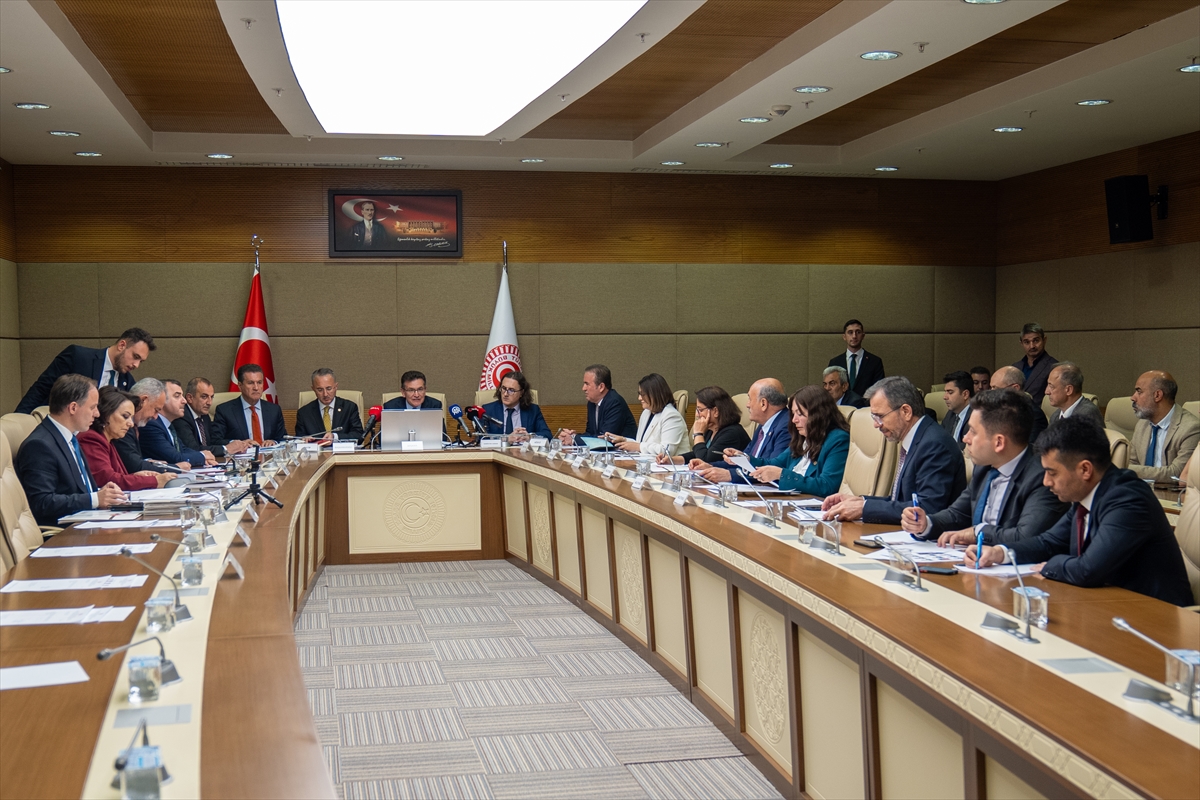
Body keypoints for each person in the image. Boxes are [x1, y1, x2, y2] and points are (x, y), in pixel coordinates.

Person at [966, 417, 1192, 606]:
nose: (1046, 482)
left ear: (1085, 469)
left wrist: (1050, 565)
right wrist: (1000, 552)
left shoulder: (1128, 500)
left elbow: (1088, 569)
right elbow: (1048, 542)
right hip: (1106, 606)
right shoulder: (1086, 495)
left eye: (1052, 473)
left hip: (1154, 618)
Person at [902, 389, 1065, 546]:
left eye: (972, 431)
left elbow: (1026, 538)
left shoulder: (1043, 477)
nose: (965, 439)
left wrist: (978, 533)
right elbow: (957, 514)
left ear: (999, 442)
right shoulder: (984, 467)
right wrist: (926, 523)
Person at [822, 376, 966, 524]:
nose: (876, 424)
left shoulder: (934, 444)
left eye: (880, 416)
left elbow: (927, 508)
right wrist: (860, 501)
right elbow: (901, 501)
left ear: (906, 411)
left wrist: (864, 508)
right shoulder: (917, 438)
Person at [15, 374, 125, 526]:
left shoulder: (69, 437)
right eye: (92, 407)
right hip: (66, 531)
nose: (97, 414)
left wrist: (101, 493)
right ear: (73, 408)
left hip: (87, 520)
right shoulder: (39, 445)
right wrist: (94, 499)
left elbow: (75, 489)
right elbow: (42, 502)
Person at [730, 386, 849, 496]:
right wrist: (745, 459)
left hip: (812, 506)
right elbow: (775, 463)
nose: (794, 420)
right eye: (793, 414)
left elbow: (826, 486)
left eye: (800, 414)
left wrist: (781, 475)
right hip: (792, 501)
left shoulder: (838, 439)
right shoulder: (802, 439)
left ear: (818, 415)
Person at [16, 327, 155, 413]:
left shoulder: (127, 381)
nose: (136, 365)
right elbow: (41, 389)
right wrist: (20, 419)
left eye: (141, 361)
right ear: (122, 345)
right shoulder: (78, 357)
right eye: (135, 357)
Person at [692, 379, 790, 484]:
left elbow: (773, 469)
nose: (747, 405)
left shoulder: (786, 427)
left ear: (763, 404)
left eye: (750, 399)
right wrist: (711, 466)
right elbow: (744, 462)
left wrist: (730, 475)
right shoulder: (763, 426)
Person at [78, 387, 172, 491]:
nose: (131, 424)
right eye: (125, 416)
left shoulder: (108, 440)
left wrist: (135, 476)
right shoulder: (91, 439)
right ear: (106, 414)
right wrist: (154, 481)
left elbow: (116, 476)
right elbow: (107, 479)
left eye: (131, 418)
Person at [1129, 370, 1200, 483]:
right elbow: (1131, 462)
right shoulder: (1142, 424)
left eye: (1139, 391)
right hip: (1141, 489)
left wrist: (1123, 468)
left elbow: (1176, 473)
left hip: (1169, 492)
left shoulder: (1191, 428)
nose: (1133, 397)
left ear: (1157, 395)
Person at [114, 377, 187, 474]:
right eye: (156, 410)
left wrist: (147, 462)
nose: (155, 417)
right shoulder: (123, 425)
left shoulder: (134, 426)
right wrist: (175, 468)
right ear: (144, 400)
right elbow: (135, 466)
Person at [660, 386, 749, 464]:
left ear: (716, 411)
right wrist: (672, 460)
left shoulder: (731, 433)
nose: (697, 415)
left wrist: (698, 434)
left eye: (700, 410)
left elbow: (705, 460)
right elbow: (697, 453)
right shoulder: (711, 430)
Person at [607, 373, 689, 457]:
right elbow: (641, 443)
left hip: (671, 464)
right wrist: (624, 440)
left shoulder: (672, 416)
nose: (639, 398)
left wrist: (638, 446)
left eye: (642, 394)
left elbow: (666, 451)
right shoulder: (646, 412)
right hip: (649, 462)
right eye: (639, 394)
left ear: (655, 394)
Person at [140, 380, 217, 467]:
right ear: (161, 399)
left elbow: (182, 449)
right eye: (177, 396)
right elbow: (174, 458)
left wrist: (202, 454)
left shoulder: (167, 424)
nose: (184, 401)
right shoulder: (151, 424)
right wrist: (202, 456)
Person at [559, 364, 637, 446]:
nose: (583, 388)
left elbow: (605, 439)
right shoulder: (592, 403)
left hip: (626, 451)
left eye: (587, 384)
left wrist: (574, 439)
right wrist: (574, 436)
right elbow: (590, 433)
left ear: (601, 387)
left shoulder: (614, 403)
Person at [212, 364, 286, 445]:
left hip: (268, 452)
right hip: (241, 453)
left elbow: (283, 438)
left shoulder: (274, 410)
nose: (256, 388)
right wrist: (238, 444)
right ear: (240, 386)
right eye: (250, 383)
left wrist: (274, 442)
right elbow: (216, 440)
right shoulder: (225, 411)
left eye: (259, 382)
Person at [173, 378, 249, 457]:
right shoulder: (181, 417)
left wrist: (238, 443)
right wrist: (225, 449)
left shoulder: (204, 415)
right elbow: (193, 449)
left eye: (211, 397)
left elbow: (213, 441)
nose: (209, 402)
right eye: (204, 397)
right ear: (190, 398)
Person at [295, 368, 366, 442]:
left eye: (329, 389)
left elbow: (359, 435)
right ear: (313, 389)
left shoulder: (349, 408)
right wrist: (303, 440)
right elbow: (298, 439)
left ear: (336, 387)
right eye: (320, 390)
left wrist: (335, 437)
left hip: (341, 449)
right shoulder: (304, 413)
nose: (325, 394)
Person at [481, 371, 552, 442]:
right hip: (498, 449)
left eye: (511, 390)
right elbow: (482, 438)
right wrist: (506, 439)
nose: (505, 394)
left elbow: (547, 435)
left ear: (521, 393)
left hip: (523, 448)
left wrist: (530, 437)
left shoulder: (533, 410)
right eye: (504, 388)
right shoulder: (487, 410)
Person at [990, 366, 1048, 444]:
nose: (991, 393)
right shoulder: (996, 409)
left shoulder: (1034, 415)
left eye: (996, 389)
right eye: (991, 388)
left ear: (1015, 388)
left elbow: (1031, 448)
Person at [828, 319, 885, 398]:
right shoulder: (835, 362)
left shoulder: (875, 362)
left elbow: (879, 389)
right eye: (850, 332)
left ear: (863, 336)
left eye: (858, 332)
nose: (854, 336)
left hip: (866, 405)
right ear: (844, 337)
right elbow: (830, 389)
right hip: (841, 405)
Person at [1046, 362, 1103, 427]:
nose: (1046, 392)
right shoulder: (1056, 416)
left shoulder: (1086, 415)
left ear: (1069, 390)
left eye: (1051, 387)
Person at [1011, 323, 1057, 403]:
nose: (1032, 346)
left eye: (1036, 340)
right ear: (1021, 344)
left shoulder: (1054, 367)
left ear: (1044, 340)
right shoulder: (1014, 368)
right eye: (1026, 342)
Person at [940, 370, 974, 449]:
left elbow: (970, 445)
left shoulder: (977, 415)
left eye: (950, 392)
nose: (945, 397)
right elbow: (940, 438)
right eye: (945, 392)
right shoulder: (950, 414)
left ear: (965, 394)